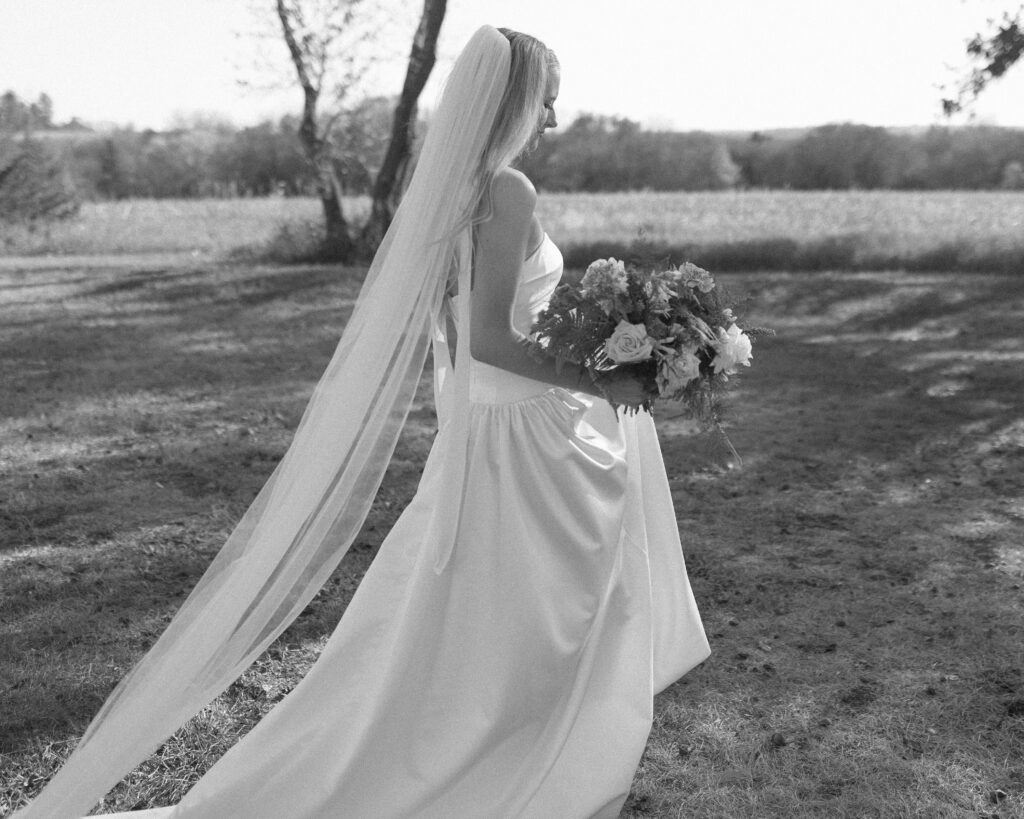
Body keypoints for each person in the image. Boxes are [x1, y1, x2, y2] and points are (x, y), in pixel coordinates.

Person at [15, 25, 709, 819]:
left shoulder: (454, 186)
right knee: (545, 608)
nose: (553, 118)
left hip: (487, 429)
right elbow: (486, 338)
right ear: (518, 103)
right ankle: (521, 760)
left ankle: (494, 744)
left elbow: (455, 341)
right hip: (521, 439)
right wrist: (602, 373)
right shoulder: (507, 190)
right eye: (548, 101)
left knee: (479, 616)